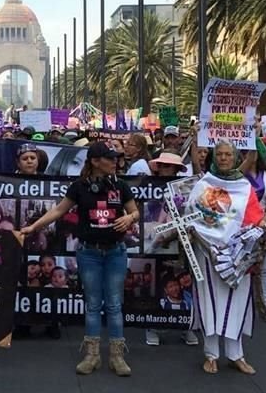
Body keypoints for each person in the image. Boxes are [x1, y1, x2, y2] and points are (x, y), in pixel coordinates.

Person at [21, 142, 139, 377]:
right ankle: (92, 355)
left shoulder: (121, 185)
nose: (115, 161)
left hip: (116, 252)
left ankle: (117, 356)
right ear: (95, 161)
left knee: (114, 304)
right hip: (89, 253)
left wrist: (130, 219)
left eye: (115, 158)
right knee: (93, 304)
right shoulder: (79, 187)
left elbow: (135, 211)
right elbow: (58, 211)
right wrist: (33, 227)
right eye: (110, 158)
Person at [184, 141, 266, 375]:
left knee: (237, 302)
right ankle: (211, 355)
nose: (223, 158)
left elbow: (254, 219)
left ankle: (236, 355)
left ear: (234, 156)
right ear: (214, 157)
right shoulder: (203, 183)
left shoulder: (245, 187)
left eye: (228, 154)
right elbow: (191, 213)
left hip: (236, 254)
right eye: (219, 154)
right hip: (207, 251)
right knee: (208, 301)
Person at [144, 151, 198, 347]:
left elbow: (194, 212)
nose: (165, 169)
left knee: (185, 285)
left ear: (177, 169)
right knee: (160, 285)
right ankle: (154, 327)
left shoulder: (186, 188)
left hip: (183, 246)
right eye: (163, 165)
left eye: (169, 166)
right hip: (157, 246)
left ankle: (186, 327)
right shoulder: (148, 187)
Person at [240, 138, 266, 322]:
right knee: (242, 267)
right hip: (241, 228)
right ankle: (243, 306)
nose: (249, 155)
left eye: (252, 151)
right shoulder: (237, 175)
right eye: (245, 151)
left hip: (264, 226)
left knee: (265, 268)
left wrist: (264, 223)